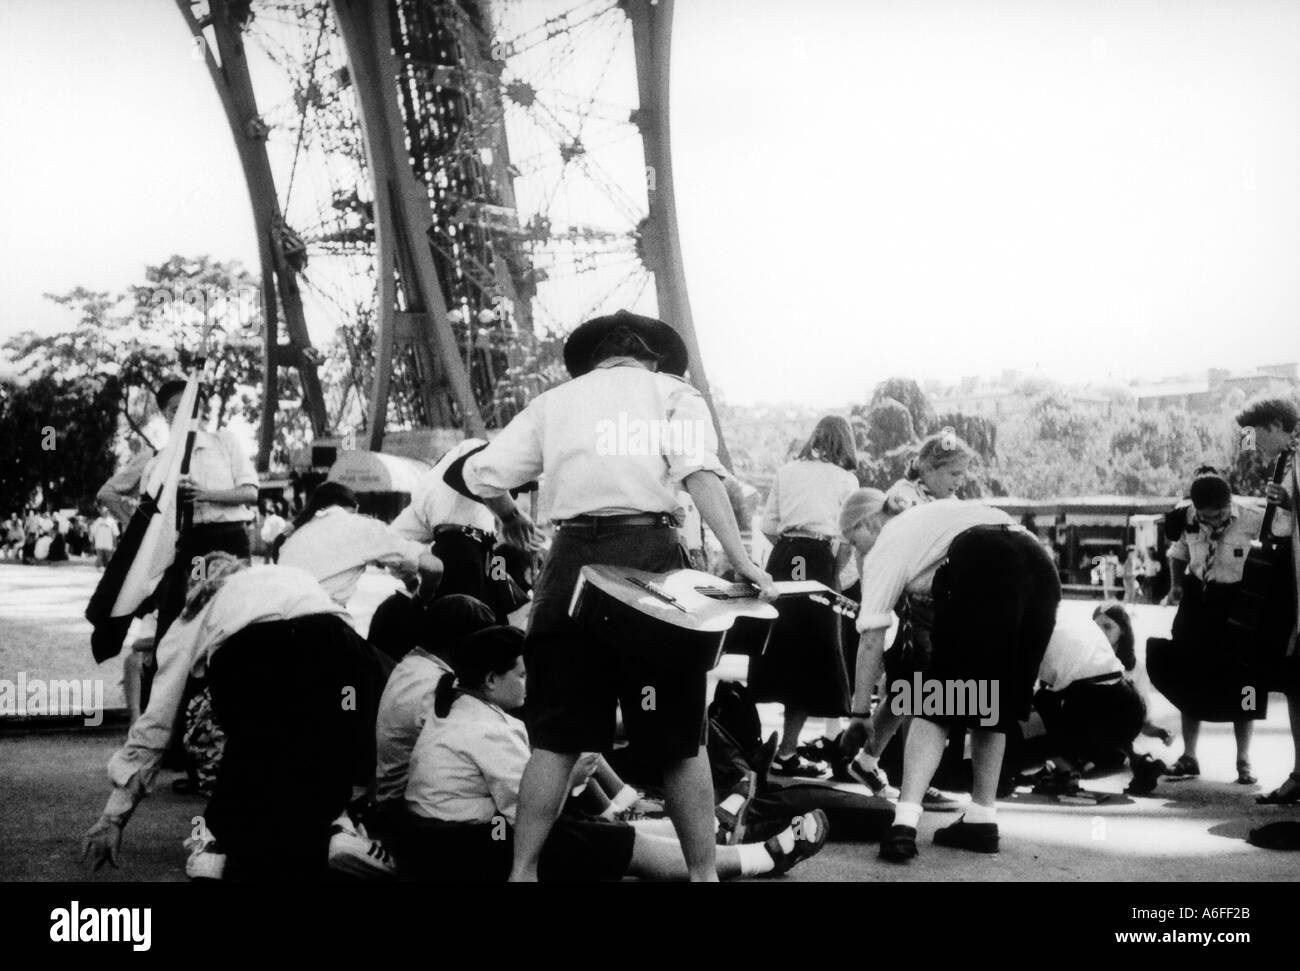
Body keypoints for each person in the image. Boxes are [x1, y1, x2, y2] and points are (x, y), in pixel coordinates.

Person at [440, 309, 777, 882]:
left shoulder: (555, 403)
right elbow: (698, 475)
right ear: (653, 357)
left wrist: (511, 516)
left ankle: (522, 873)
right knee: (678, 737)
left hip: (571, 566)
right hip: (649, 563)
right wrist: (742, 561)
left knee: (556, 739)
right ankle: (702, 875)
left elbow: (473, 475)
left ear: (593, 359)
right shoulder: (672, 392)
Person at [401, 626, 827, 882]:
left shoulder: (460, 711)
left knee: (611, 833)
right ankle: (763, 857)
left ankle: (711, 834)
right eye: (522, 675)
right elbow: (526, 811)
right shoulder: (481, 730)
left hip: (454, 839)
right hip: (473, 845)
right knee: (622, 844)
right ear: (492, 680)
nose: (529, 684)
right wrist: (572, 777)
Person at [79, 557, 393, 880]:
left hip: (249, 656)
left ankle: (217, 842)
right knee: (342, 719)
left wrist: (115, 815)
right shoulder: (290, 574)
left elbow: (158, 718)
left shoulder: (191, 618)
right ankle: (341, 823)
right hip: (336, 644)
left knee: (254, 740)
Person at [838, 491, 1060, 862]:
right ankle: (982, 818)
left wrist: (860, 714)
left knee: (936, 702)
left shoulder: (887, 544)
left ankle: (904, 824)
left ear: (869, 523)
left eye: (852, 539)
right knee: (992, 700)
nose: (852, 550)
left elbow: (872, 638)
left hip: (983, 555)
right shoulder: (927, 521)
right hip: (1039, 566)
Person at [840, 431, 975, 813]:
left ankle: (867, 761)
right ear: (928, 468)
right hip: (911, 603)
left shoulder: (943, 499)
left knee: (907, 689)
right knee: (922, 688)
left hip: (929, 602)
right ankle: (916, 780)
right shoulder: (905, 496)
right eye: (953, 473)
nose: (959, 480)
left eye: (963, 474)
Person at [748, 415, 859, 778]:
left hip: (786, 557)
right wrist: (837, 576)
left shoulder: (787, 470)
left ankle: (771, 743)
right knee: (814, 654)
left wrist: (788, 548)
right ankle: (788, 749)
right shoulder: (845, 480)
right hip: (818, 560)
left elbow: (766, 525)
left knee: (782, 648)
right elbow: (846, 537)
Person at [1147, 470, 1264, 785]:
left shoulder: (1256, 518)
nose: (1212, 522)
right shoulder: (1186, 517)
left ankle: (1244, 761)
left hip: (1238, 604)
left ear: (1229, 503)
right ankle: (1189, 756)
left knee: (1246, 683)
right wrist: (1175, 587)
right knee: (1189, 676)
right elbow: (1178, 553)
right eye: (1206, 516)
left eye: (1219, 515)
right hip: (1198, 600)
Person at [372, 594, 497, 843]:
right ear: (464, 645)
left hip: (390, 795)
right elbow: (477, 747)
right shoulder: (435, 688)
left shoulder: (411, 665)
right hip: (407, 810)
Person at [1235, 397, 1300, 804]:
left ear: (1276, 424)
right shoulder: (1287, 462)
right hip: (1294, 595)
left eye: (1257, 432)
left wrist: (1291, 503)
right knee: (1295, 684)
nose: (1254, 443)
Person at [389, 438, 528, 623]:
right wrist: (512, 515)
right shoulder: (476, 451)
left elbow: (393, 540)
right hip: (468, 554)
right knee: (484, 622)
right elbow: (484, 471)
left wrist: (413, 584)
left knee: (495, 615)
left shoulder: (426, 491)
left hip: (473, 554)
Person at [275, 481, 444, 611]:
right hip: (320, 625)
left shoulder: (294, 536)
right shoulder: (358, 525)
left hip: (277, 623)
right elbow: (434, 567)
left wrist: (409, 580)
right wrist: (421, 600)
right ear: (355, 508)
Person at [90, 506, 120, 571]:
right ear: (101, 513)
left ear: (108, 512)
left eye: (106, 512)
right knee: (99, 557)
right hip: (99, 544)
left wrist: (115, 544)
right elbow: (93, 532)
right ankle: (100, 567)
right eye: (104, 512)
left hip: (108, 544)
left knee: (109, 559)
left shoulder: (112, 521)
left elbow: (115, 534)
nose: (105, 513)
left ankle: (106, 569)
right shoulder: (98, 521)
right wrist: (92, 543)